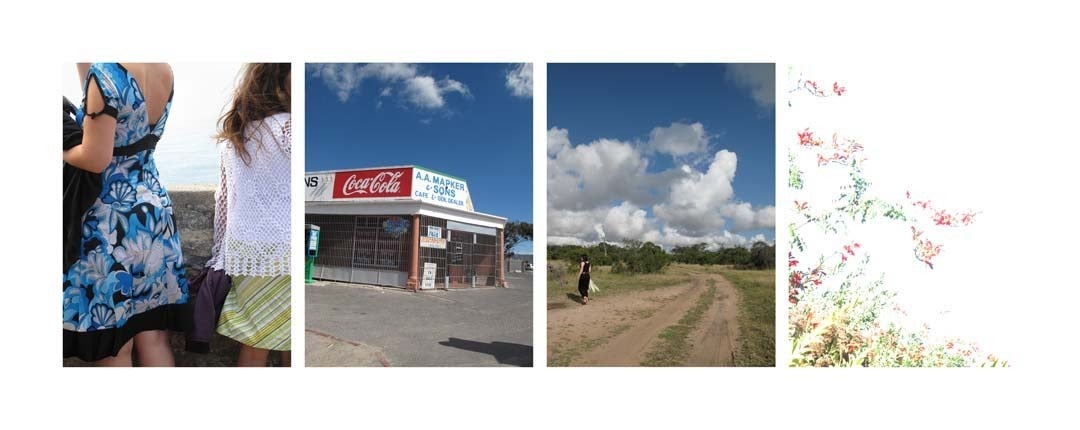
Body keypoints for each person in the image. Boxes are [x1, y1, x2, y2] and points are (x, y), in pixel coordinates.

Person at [63, 63, 188, 366]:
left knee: (114, 346)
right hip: (154, 214)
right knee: (154, 337)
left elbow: (95, 158)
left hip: (109, 220)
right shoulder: (163, 70)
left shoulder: (104, 74)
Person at [210, 63, 292, 367]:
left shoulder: (235, 138)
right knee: (289, 345)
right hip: (284, 251)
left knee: (255, 340)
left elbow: (223, 203)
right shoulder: (288, 128)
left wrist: (218, 256)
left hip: (244, 252)